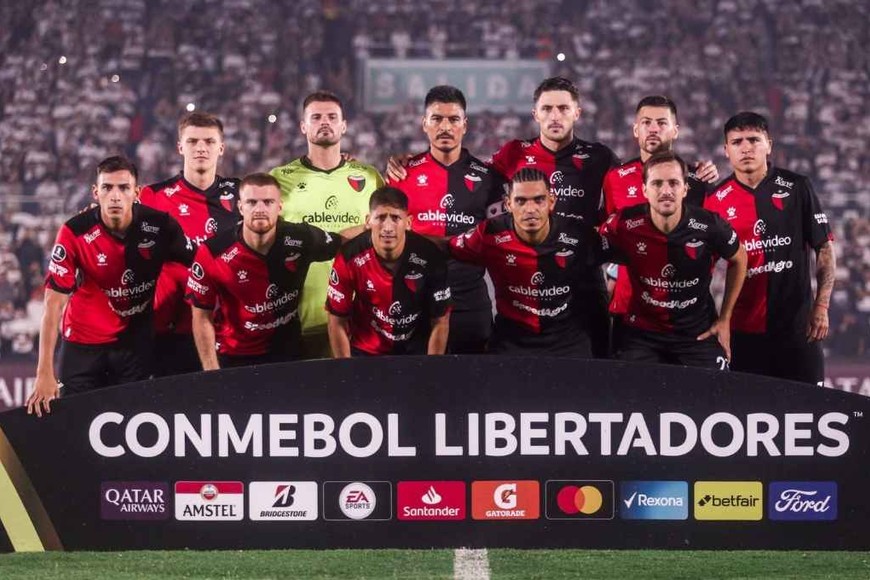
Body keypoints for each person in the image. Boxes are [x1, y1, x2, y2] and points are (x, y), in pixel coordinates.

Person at [26, 156, 193, 417]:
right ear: (96, 192)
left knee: (134, 423)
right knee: (75, 423)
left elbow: (200, 269)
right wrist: (44, 372)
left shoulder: (162, 226)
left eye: (124, 188)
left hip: (134, 345)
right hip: (83, 344)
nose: (115, 196)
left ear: (137, 193)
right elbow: (53, 304)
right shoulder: (74, 232)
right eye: (107, 188)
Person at [704, 112, 835, 385]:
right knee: (751, 408)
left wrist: (821, 305)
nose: (746, 148)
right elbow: (703, 266)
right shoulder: (715, 200)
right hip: (744, 333)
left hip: (799, 329)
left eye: (754, 139)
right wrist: (718, 320)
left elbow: (824, 247)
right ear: (726, 150)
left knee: (810, 407)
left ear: (769, 145)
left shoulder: (797, 187)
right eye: (737, 142)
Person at [185, 173, 361, 369]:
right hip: (235, 356)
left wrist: (375, 225)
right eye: (252, 202)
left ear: (279, 207)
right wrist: (211, 370)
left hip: (288, 353)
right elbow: (201, 316)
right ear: (240, 207)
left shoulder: (301, 238)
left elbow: (341, 241)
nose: (260, 209)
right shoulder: (213, 252)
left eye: (268, 202)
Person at [599, 152, 747, 369]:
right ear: (644, 190)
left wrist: (725, 319)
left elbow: (740, 258)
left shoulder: (710, 225)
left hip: (697, 334)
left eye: (674, 183)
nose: (666, 191)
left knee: (719, 387)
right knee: (624, 385)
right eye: (657, 183)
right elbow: (591, 246)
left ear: (685, 189)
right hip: (642, 335)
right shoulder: (624, 223)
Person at [386, 85, 504, 353]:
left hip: (469, 300)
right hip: (415, 299)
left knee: (472, 376)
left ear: (465, 125)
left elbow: (498, 238)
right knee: (416, 376)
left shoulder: (488, 178)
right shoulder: (402, 174)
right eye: (437, 119)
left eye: (453, 119)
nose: (445, 127)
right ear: (424, 124)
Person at [270, 91, 385, 359]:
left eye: (332, 117)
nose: (325, 122)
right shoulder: (279, 179)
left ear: (344, 126)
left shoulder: (369, 177)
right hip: (300, 318)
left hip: (362, 318)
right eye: (316, 117)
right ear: (303, 126)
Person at [602, 95, 719, 355]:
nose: (653, 129)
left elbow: (714, 244)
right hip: (630, 311)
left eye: (662, 123)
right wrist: (613, 276)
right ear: (636, 129)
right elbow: (611, 238)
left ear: (675, 130)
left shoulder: (698, 180)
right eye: (646, 122)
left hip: (686, 315)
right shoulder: (615, 178)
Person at [448, 168, 602, 356]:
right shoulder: (489, 234)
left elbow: (624, 251)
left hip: (568, 343)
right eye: (521, 201)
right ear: (508, 204)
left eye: (539, 200)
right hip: (511, 343)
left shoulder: (579, 234)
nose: (530, 209)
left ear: (551, 202)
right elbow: (446, 249)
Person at [138, 112, 240, 376]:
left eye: (209, 141)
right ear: (180, 147)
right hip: (171, 334)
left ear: (221, 148)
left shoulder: (243, 195)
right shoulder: (153, 196)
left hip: (230, 331)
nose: (201, 148)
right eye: (193, 141)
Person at [326, 187, 451, 357]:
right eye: (380, 217)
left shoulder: (431, 256)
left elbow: (440, 321)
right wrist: (345, 369)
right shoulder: (348, 257)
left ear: (408, 222)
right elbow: (336, 321)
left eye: (395, 218)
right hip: (366, 351)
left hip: (416, 352)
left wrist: (431, 368)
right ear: (368, 221)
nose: (388, 227)